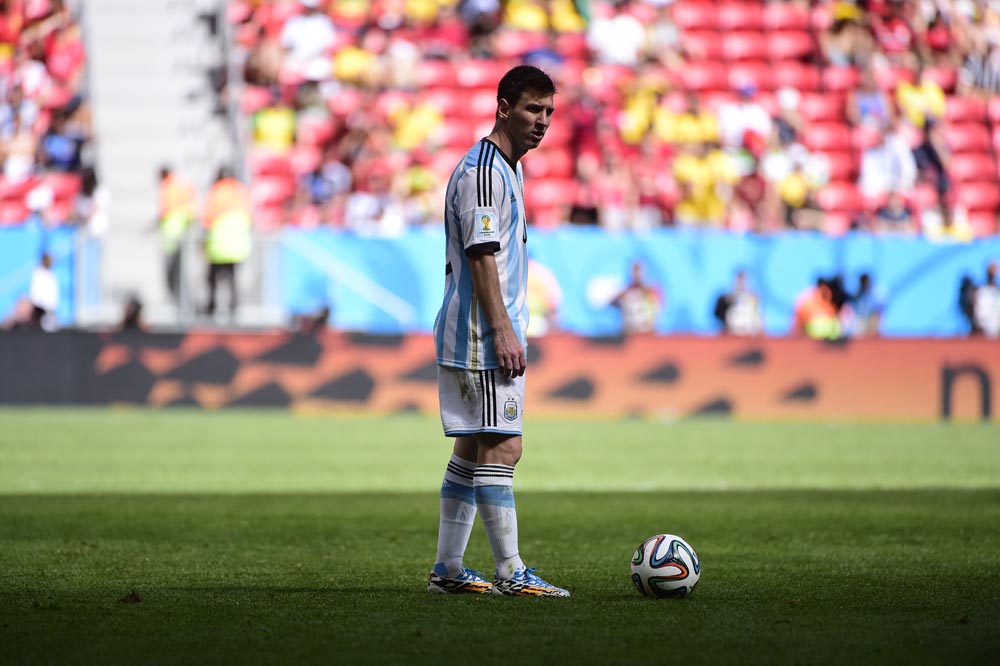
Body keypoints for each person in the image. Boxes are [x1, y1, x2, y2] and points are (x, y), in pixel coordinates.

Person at [428, 65, 568, 597]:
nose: (543, 122)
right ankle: (511, 571)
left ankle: (447, 571)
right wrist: (505, 331)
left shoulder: (506, 167)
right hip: (482, 335)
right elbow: (481, 255)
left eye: (549, 112)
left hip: (477, 331)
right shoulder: (485, 171)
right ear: (503, 107)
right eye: (533, 109)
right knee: (504, 447)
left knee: (472, 448)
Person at [202, 167, 252, 318]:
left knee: (212, 278)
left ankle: (211, 306)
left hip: (219, 243)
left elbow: (208, 217)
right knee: (232, 278)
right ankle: (233, 307)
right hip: (237, 244)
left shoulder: (216, 191)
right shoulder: (241, 190)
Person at [157, 165, 197, 303]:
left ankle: (181, 302)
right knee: (178, 274)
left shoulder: (170, 186)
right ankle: (182, 302)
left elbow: (166, 212)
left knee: (175, 274)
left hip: (173, 237)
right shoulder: (180, 185)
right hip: (178, 235)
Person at [611, 260, 663, 334]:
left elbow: (656, 312)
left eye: (639, 270)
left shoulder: (652, 292)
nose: (636, 274)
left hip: (647, 333)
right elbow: (612, 302)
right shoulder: (626, 292)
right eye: (634, 270)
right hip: (630, 333)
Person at [713, 270, 762, 336]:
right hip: (731, 333)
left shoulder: (753, 298)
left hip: (749, 334)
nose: (741, 283)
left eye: (743, 280)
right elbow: (718, 316)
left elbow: (758, 319)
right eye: (739, 280)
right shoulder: (724, 299)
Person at [28, 252, 59, 331]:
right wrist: (42, 305)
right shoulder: (38, 274)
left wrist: (51, 307)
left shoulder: (51, 274)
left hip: (49, 309)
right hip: (40, 308)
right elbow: (35, 292)